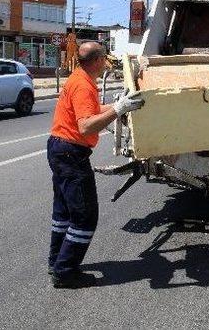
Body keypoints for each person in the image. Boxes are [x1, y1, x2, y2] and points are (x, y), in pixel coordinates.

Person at [47, 41, 144, 288]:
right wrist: (117, 110)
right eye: (106, 59)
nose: (107, 64)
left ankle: (56, 261)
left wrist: (118, 105)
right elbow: (86, 125)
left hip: (60, 149)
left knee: (64, 213)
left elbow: (89, 110)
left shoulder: (79, 77)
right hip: (71, 154)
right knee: (84, 216)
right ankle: (65, 272)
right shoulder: (82, 84)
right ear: (99, 60)